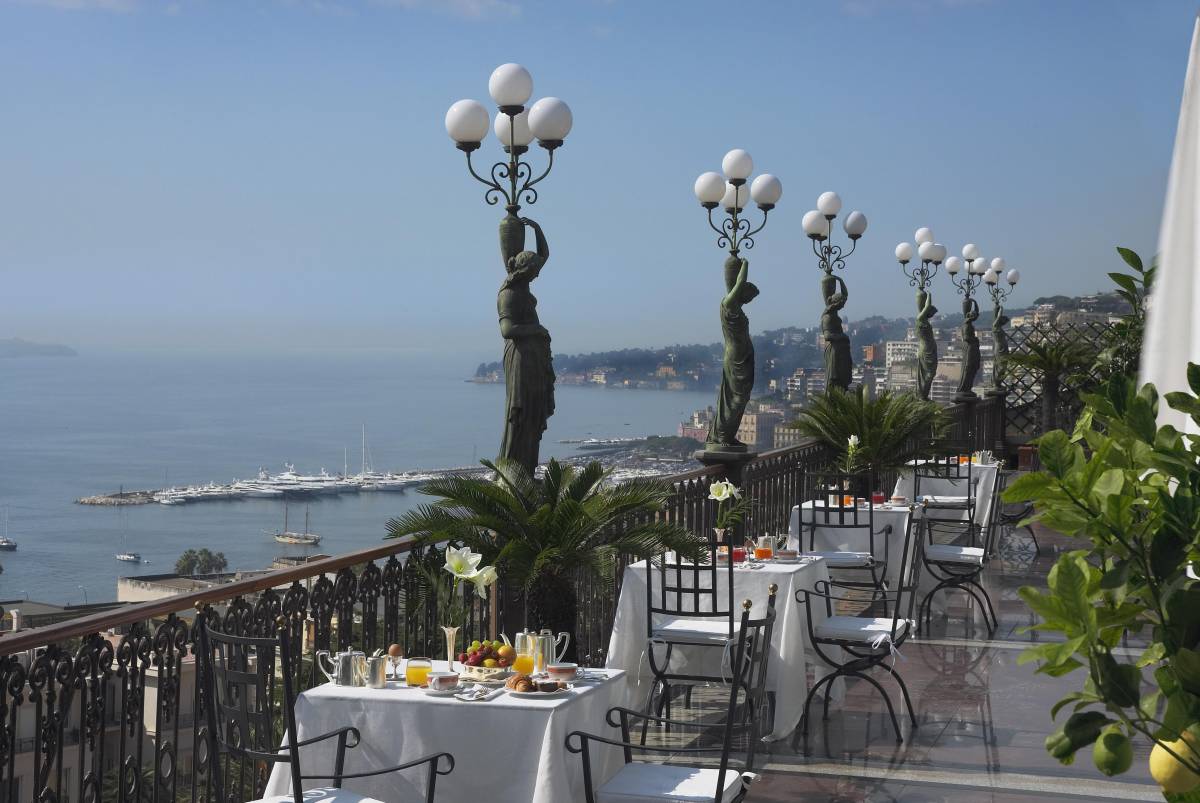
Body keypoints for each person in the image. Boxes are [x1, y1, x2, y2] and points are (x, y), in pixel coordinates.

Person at [496, 216, 555, 473]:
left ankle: (528, 470)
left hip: (533, 357)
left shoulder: (524, 286)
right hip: (519, 358)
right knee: (520, 414)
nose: (538, 273)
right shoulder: (508, 294)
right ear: (524, 271)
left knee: (532, 415)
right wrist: (538, 330)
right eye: (534, 271)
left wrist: (537, 229)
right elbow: (507, 330)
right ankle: (512, 471)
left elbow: (544, 255)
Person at [707, 257, 759, 449]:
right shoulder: (728, 303)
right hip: (735, 357)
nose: (750, 300)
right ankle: (721, 435)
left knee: (742, 398)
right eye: (750, 296)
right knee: (734, 399)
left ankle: (728, 435)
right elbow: (738, 283)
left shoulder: (736, 306)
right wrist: (745, 265)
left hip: (744, 355)